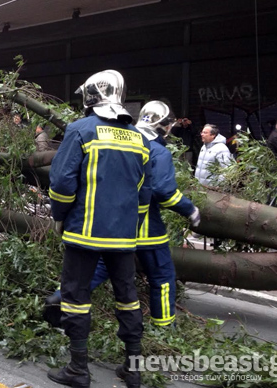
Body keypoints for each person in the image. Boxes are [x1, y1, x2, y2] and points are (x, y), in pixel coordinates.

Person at [44, 101, 200, 332]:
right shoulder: (157, 150)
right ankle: (165, 329)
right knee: (163, 277)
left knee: (95, 272)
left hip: (113, 228)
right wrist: (191, 210)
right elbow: (161, 191)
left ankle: (58, 304)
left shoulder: (129, 139)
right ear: (164, 126)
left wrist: (60, 216)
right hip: (146, 232)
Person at [46, 69, 152, 388]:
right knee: (128, 297)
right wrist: (133, 226)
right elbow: (144, 192)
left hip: (84, 233)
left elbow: (62, 183)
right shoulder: (138, 139)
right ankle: (132, 368)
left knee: (76, 297)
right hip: (124, 236)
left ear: (91, 97)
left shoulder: (81, 130)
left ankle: (79, 369)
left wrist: (59, 216)